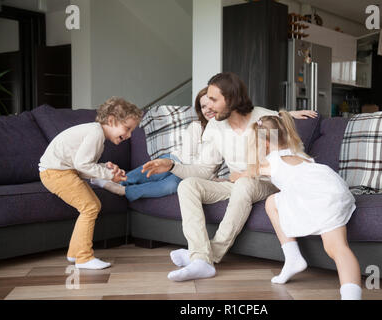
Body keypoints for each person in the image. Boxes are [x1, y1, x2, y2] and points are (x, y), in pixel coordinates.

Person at [141, 72, 317, 282]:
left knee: (243, 183)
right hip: (240, 183)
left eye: (214, 100)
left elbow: (281, 160)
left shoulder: (261, 120)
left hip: (269, 182)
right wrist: (172, 166)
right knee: (188, 186)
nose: (209, 106)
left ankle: (204, 257)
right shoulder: (215, 126)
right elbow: (205, 170)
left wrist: (246, 173)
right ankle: (200, 258)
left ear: (231, 99)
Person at [91, 89, 315, 201]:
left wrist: (289, 114)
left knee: (172, 186)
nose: (208, 110)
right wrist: (190, 171)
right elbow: (187, 160)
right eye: (203, 107)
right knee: (157, 175)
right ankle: (113, 178)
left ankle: (124, 191)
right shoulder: (196, 128)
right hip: (180, 161)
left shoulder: (226, 127)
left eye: (211, 105)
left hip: (193, 172)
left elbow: (264, 117)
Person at [241, 111, 362, 300]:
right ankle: (350, 295)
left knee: (271, 203)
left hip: (319, 197)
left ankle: (293, 256)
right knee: (338, 248)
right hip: (333, 188)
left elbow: (242, 175)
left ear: (263, 143)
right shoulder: (299, 155)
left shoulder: (269, 163)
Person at [39, 97, 143, 270]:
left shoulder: (96, 135)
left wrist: (106, 167)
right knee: (90, 207)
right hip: (56, 173)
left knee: (92, 205)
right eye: (127, 128)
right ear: (111, 120)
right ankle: (84, 257)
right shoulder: (95, 133)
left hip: (61, 171)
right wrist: (110, 175)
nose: (129, 135)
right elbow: (83, 165)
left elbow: (82, 165)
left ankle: (75, 252)